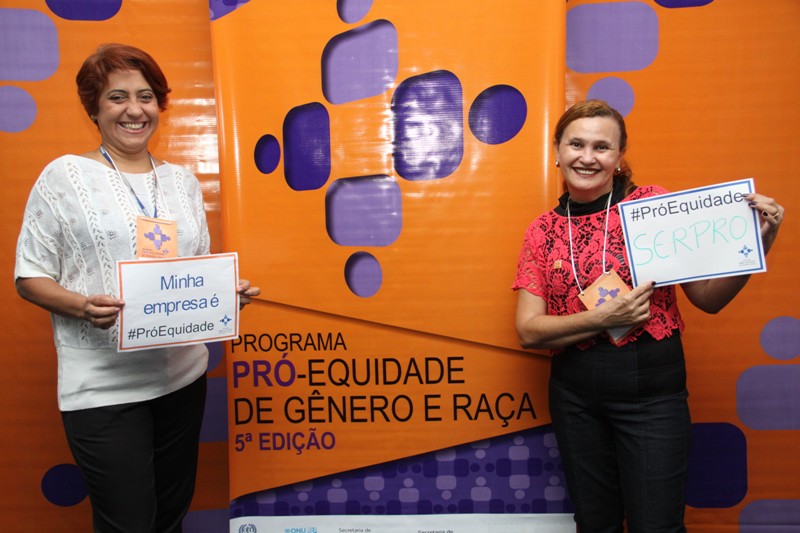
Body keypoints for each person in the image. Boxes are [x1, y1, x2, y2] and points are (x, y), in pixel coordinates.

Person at [14, 43, 260, 532]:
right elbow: (29, 276)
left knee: (170, 517)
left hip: (182, 378)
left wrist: (221, 297)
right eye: (117, 97)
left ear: (159, 105)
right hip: (102, 385)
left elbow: (191, 270)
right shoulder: (64, 177)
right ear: (93, 108)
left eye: (146, 96)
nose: (134, 109)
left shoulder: (182, 182)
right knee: (127, 524)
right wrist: (82, 306)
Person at [512, 99, 783, 532]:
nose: (587, 157)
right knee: (595, 524)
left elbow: (709, 299)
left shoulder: (652, 207)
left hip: (653, 395)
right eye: (576, 144)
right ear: (557, 150)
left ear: (619, 156)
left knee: (656, 526)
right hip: (575, 398)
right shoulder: (542, 231)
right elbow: (528, 330)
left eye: (602, 147)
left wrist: (758, 244)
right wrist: (603, 318)